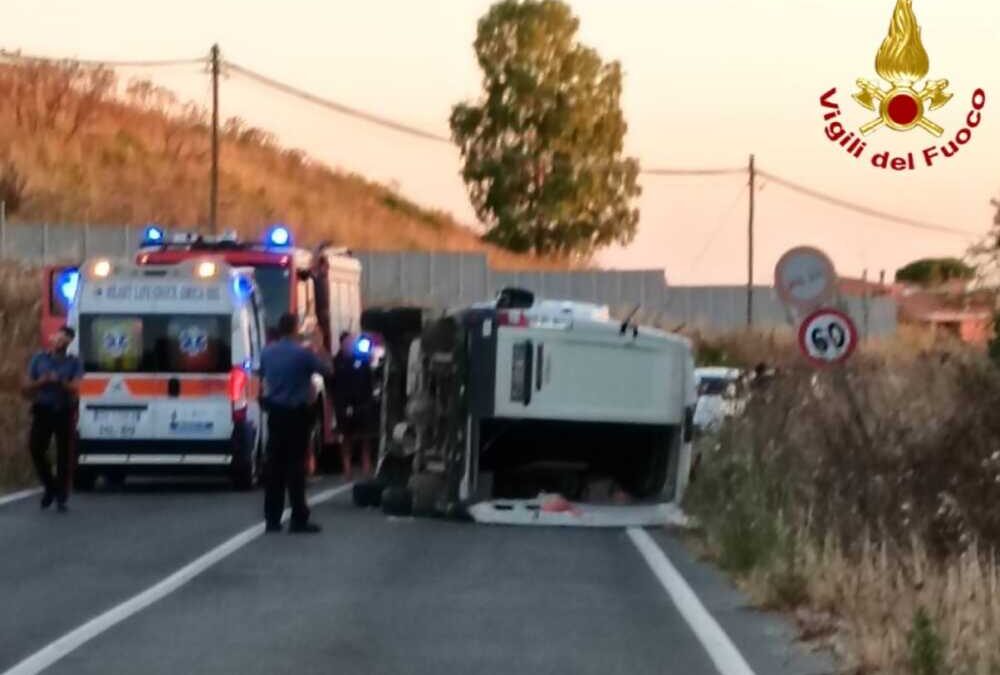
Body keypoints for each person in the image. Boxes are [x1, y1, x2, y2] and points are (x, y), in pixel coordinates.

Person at [259, 313, 332, 534]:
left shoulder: (267, 352)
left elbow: (262, 377)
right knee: (296, 468)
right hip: (296, 414)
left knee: (274, 469)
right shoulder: (303, 354)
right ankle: (298, 518)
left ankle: (272, 519)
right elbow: (327, 371)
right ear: (294, 330)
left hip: (275, 413)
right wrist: (319, 347)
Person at [22, 325, 83, 512]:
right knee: (36, 448)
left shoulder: (74, 362)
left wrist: (60, 382)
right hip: (43, 409)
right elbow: (25, 387)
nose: (60, 341)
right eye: (59, 337)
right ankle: (50, 486)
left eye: (65, 340)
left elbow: (75, 387)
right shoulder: (39, 359)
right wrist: (42, 381)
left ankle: (62, 495)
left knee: (65, 454)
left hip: (64, 410)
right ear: (53, 338)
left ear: (69, 343)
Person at [333, 332, 376, 481]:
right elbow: (331, 382)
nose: (350, 345)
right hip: (343, 404)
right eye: (347, 343)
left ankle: (366, 467)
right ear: (341, 345)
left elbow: (369, 379)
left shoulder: (362, 360)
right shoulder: (337, 362)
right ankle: (347, 468)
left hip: (362, 403)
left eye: (351, 343)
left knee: (365, 437)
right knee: (346, 437)